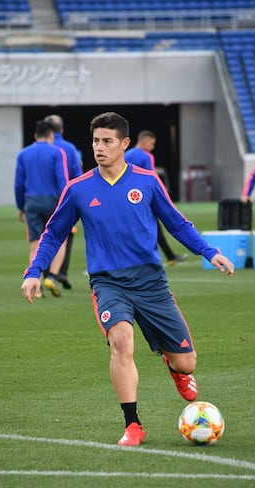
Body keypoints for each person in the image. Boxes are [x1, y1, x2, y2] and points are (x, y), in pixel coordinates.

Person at [21, 112, 234, 447]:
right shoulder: (78, 189)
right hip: (108, 284)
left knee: (187, 361)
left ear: (124, 144)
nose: (99, 147)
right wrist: (34, 271)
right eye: (95, 141)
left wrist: (209, 251)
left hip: (151, 283)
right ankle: (133, 425)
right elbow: (52, 234)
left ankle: (174, 366)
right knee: (121, 343)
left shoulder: (147, 181)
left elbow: (177, 224)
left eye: (107, 141)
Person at [14, 119, 69, 297]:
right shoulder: (57, 152)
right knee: (60, 239)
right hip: (52, 200)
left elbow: (18, 184)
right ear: (51, 135)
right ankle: (51, 277)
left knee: (34, 244)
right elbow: (63, 181)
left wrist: (21, 206)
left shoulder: (23, 154)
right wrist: (66, 205)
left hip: (32, 202)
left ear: (35, 135)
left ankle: (35, 285)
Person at [125, 130, 188, 265]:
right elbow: (151, 179)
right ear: (146, 141)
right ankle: (162, 257)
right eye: (152, 144)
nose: (152, 147)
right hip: (143, 197)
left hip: (126, 197)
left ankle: (169, 256)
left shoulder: (126, 154)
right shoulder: (146, 156)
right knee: (155, 226)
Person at [44, 114, 84, 289]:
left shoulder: (38, 148)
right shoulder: (69, 148)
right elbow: (78, 175)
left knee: (44, 236)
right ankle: (61, 272)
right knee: (66, 236)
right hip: (64, 199)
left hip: (40, 199)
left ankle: (46, 272)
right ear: (62, 129)